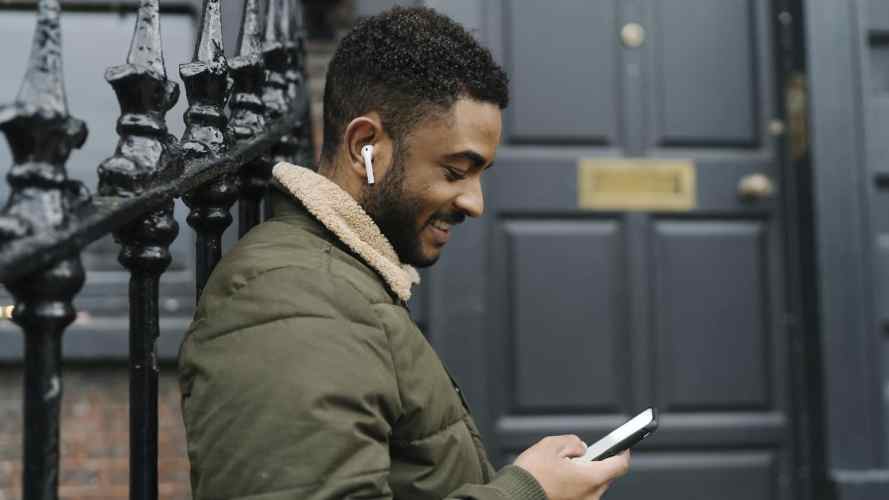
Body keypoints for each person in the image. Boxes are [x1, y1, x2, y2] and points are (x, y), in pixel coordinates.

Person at [178, 7, 630, 500]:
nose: (476, 204)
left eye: (481, 175)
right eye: (456, 171)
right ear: (365, 147)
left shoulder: (340, 284)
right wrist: (527, 492)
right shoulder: (290, 298)